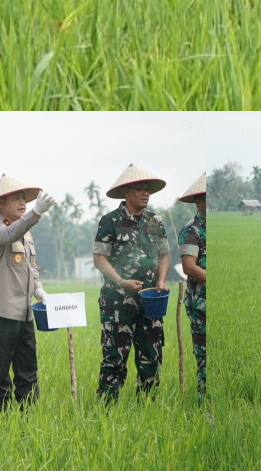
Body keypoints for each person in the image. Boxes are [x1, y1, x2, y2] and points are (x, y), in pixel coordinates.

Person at [91, 164, 170, 402]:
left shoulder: (155, 220)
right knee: (114, 360)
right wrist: (121, 281)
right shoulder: (110, 221)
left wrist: (161, 280)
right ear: (126, 192)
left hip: (151, 303)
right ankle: (104, 413)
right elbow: (99, 258)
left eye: (147, 190)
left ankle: (146, 410)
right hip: (117, 304)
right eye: (139, 189)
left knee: (152, 358)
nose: (145, 193)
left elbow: (165, 254)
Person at [0, 174, 54, 413]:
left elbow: (31, 267)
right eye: (16, 199)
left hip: (24, 313)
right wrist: (36, 214)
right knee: (0, 373)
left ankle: (28, 420)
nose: (23, 203)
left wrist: (39, 290)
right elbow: (7, 235)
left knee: (28, 370)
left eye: (24, 199)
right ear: (1, 204)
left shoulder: (26, 232)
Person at [176, 172, 209, 397]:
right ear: (198, 201)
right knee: (205, 357)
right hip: (201, 304)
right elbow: (189, 267)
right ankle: (204, 403)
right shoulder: (192, 230)